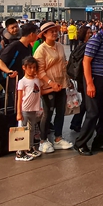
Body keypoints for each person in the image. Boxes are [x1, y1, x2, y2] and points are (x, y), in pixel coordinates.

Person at [74, 13, 103, 156]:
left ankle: (99, 141)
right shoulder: (97, 39)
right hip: (95, 79)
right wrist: (89, 84)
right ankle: (81, 143)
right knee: (93, 113)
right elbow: (86, 61)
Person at [33, 21, 73, 152]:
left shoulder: (60, 46)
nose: (55, 33)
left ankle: (58, 138)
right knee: (48, 112)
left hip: (61, 84)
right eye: (52, 32)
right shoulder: (41, 50)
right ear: (44, 34)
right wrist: (50, 83)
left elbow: (63, 64)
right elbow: (39, 71)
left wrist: (68, 80)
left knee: (61, 112)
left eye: (56, 31)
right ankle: (43, 140)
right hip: (48, 86)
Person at [15, 56, 45, 162]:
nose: (32, 70)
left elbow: (41, 92)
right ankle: (20, 152)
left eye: (34, 68)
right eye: (30, 68)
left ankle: (30, 147)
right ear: (24, 68)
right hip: (24, 109)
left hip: (33, 109)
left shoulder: (37, 79)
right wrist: (19, 112)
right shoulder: (22, 82)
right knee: (22, 130)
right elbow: (19, 98)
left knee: (32, 129)